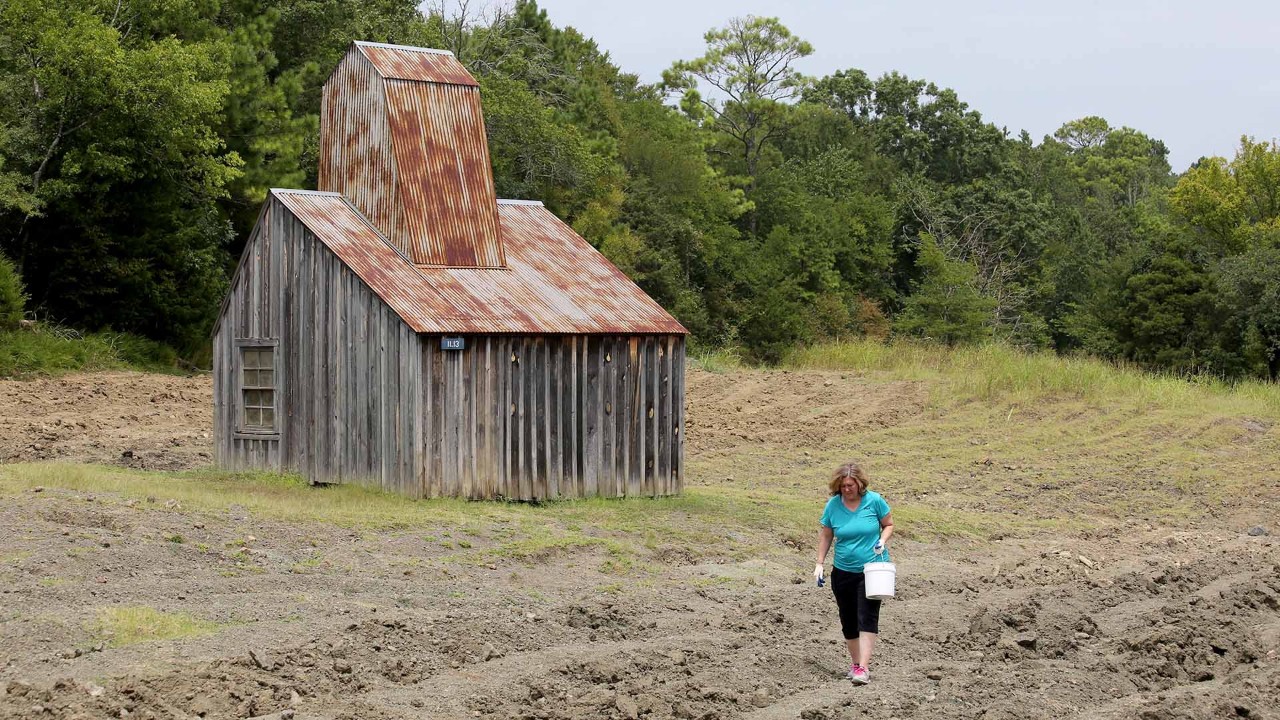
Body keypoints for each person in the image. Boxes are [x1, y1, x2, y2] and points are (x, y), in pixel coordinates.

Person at [814, 461, 894, 685]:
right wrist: (820, 563)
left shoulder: (874, 501)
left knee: (866, 616)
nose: (847, 490)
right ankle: (856, 663)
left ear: (860, 484)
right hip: (842, 571)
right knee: (848, 619)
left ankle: (864, 667)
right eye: (843, 486)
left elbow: (888, 524)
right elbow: (827, 535)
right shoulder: (833, 506)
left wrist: (882, 540)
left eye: (850, 485)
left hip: (872, 569)